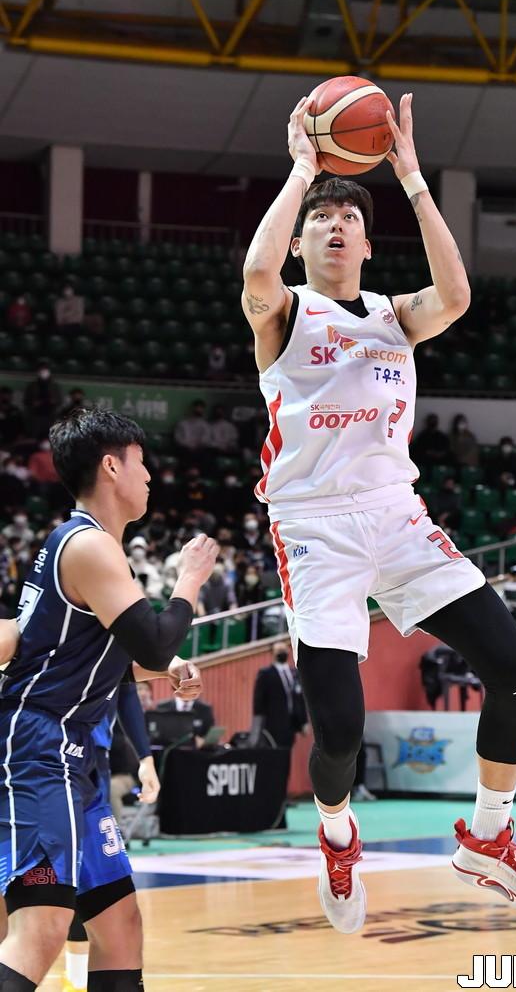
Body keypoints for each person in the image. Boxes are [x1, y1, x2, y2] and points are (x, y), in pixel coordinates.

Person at [240, 92, 516, 936]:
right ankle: (337, 835)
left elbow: (455, 294)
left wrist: (414, 178)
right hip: (314, 526)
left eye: (350, 218)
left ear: (367, 243)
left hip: (396, 514)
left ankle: (489, 839)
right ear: (303, 242)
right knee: (339, 734)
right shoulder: (285, 313)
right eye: (323, 220)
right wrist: (303, 171)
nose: (336, 226)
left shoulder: (393, 316)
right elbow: (255, 276)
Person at [0, 407, 217, 991]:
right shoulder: (88, 545)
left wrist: (166, 667)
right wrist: (190, 581)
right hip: (40, 748)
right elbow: (154, 637)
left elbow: (108, 656)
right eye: (141, 463)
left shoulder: (94, 548)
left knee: (119, 926)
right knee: (42, 928)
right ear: (111, 466)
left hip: (76, 759)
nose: (149, 476)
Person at [63, 681, 159, 992]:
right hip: (41, 760)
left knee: (115, 914)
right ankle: (74, 978)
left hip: (88, 766)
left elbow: (127, 681)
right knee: (35, 920)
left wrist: (145, 757)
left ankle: (75, 979)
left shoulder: (115, 660)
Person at [251, 640, 307, 749]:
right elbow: (258, 702)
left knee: (287, 753)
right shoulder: (265, 674)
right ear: (273, 653)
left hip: (291, 724)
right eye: (279, 650)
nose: (282, 652)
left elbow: (300, 698)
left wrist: (303, 721)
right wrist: (259, 727)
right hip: (272, 725)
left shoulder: (295, 673)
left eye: (284, 649)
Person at [23, 361, 62, 440]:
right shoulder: (32, 386)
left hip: (50, 415)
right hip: (36, 416)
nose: (43, 372)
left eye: (45, 370)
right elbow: (26, 401)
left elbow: (60, 400)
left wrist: (53, 401)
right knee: (35, 438)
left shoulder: (54, 386)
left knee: (50, 438)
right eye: (41, 370)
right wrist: (33, 403)